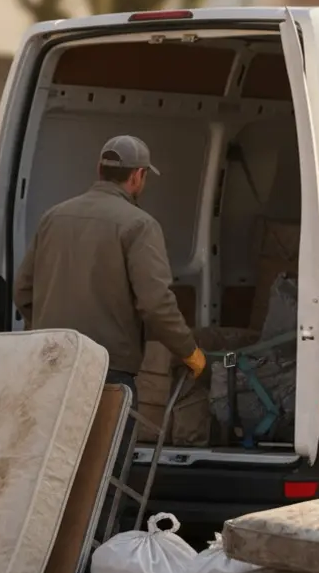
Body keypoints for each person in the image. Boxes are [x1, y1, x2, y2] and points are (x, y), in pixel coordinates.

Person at [14, 135, 206, 505]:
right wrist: (188, 351)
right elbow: (156, 303)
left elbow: (23, 291)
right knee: (102, 480)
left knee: (52, 475)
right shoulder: (139, 225)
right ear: (137, 176)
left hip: (53, 365)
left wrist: (50, 332)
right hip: (108, 372)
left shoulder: (54, 216)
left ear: (99, 169)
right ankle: (99, 542)